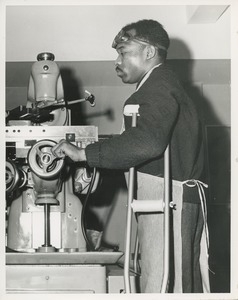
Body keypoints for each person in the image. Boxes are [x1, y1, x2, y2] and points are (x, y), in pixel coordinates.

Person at [52, 19, 210, 293]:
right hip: (169, 198)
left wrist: (82, 154)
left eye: (123, 52)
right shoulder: (161, 84)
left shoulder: (156, 87)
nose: (117, 60)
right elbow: (141, 144)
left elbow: (146, 143)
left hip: (169, 200)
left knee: (165, 285)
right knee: (176, 281)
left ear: (148, 52)